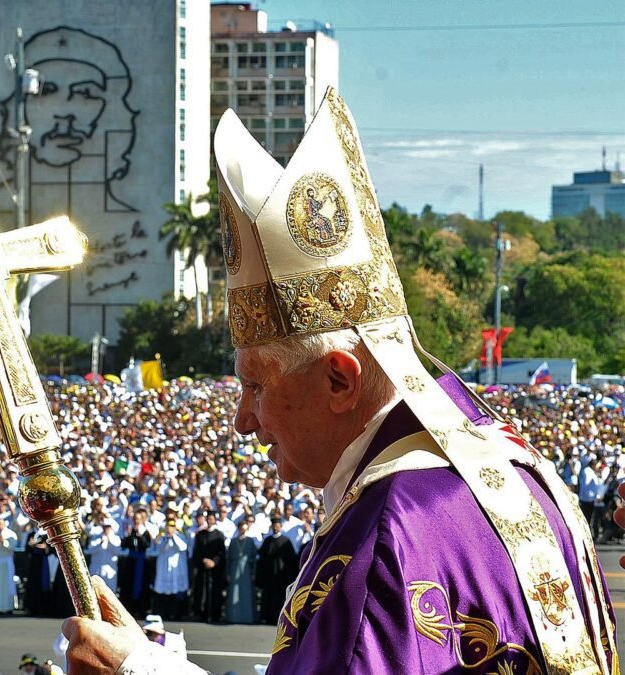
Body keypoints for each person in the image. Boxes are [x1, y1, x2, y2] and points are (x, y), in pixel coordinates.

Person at [61, 86, 617, 673]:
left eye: (255, 386)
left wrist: (138, 671)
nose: (242, 420)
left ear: (339, 380)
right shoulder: (514, 464)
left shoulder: (389, 534)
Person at [254, 516, 298, 625]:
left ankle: (279, 619)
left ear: (281, 527)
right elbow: (262, 559)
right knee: (268, 596)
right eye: (274, 526)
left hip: (282, 577)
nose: (275, 528)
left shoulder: (286, 541)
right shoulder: (267, 541)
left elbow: (291, 560)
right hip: (269, 576)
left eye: (277, 526)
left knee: (280, 597)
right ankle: (267, 617)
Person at [147, 518, 188, 621]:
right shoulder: (162, 538)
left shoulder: (180, 536)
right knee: (162, 592)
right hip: (163, 567)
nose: (169, 529)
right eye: (168, 527)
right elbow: (160, 548)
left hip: (175, 568)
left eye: (171, 527)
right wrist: (166, 538)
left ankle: (175, 613)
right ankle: (162, 612)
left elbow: (182, 547)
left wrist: (173, 536)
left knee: (174, 591)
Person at [188, 511, 226, 623]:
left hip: (215, 569)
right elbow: (197, 551)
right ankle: (201, 613)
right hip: (202, 567)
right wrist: (204, 560)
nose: (210, 520)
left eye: (212, 518)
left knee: (215, 591)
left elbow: (222, 552)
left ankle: (215, 614)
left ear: (215, 520)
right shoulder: (200, 534)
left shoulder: (219, 535)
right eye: (208, 518)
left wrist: (214, 562)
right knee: (202, 590)